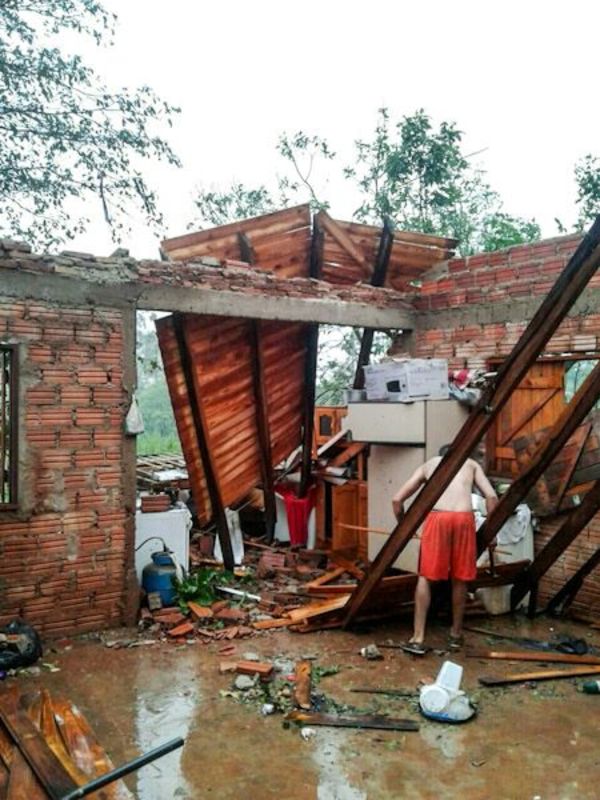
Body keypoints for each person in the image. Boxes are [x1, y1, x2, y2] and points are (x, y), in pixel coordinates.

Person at [391, 446, 498, 655]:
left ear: (441, 455)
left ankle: (418, 637)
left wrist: (403, 525)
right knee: (460, 578)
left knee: (426, 577)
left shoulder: (429, 465)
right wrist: (492, 532)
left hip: (438, 519)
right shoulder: (471, 464)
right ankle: (456, 635)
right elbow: (492, 497)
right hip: (464, 519)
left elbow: (397, 500)